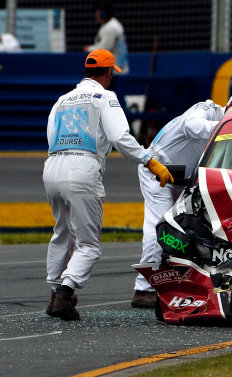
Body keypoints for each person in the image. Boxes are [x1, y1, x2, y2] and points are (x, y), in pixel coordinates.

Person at [44, 49, 173, 321]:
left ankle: (55, 291)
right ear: (108, 72)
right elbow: (120, 137)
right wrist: (150, 161)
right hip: (82, 168)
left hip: (52, 167)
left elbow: (51, 136)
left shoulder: (61, 100)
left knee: (62, 233)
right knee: (88, 245)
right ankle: (65, 294)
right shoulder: (105, 96)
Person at [132, 91, 232, 308]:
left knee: (187, 230)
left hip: (184, 178)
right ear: (229, 107)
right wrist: (225, 128)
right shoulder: (207, 110)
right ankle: (143, 289)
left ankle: (177, 280)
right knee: (159, 226)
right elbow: (190, 126)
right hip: (158, 170)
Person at [84, 1, 129, 74]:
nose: (95, 14)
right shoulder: (113, 24)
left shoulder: (109, 28)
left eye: (97, 12)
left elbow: (105, 48)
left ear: (103, 13)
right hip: (119, 69)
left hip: (114, 72)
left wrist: (89, 49)